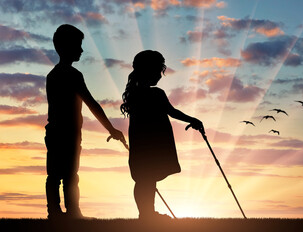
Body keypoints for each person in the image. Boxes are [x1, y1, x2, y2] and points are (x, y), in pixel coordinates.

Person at [45, 24, 126, 220]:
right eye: (78, 45)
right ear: (66, 47)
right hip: (68, 133)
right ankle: (72, 212)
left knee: (56, 174)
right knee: (69, 175)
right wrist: (111, 129)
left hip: (55, 131)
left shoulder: (53, 75)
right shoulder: (72, 75)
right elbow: (92, 104)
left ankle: (56, 212)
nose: (81, 50)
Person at [120, 50, 203, 220]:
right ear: (148, 71)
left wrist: (191, 119)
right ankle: (146, 214)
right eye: (158, 70)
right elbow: (172, 112)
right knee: (146, 179)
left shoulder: (136, 94)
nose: (160, 75)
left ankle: (147, 213)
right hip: (152, 144)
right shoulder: (153, 94)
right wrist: (192, 120)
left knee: (146, 179)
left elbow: (171, 112)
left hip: (144, 143)